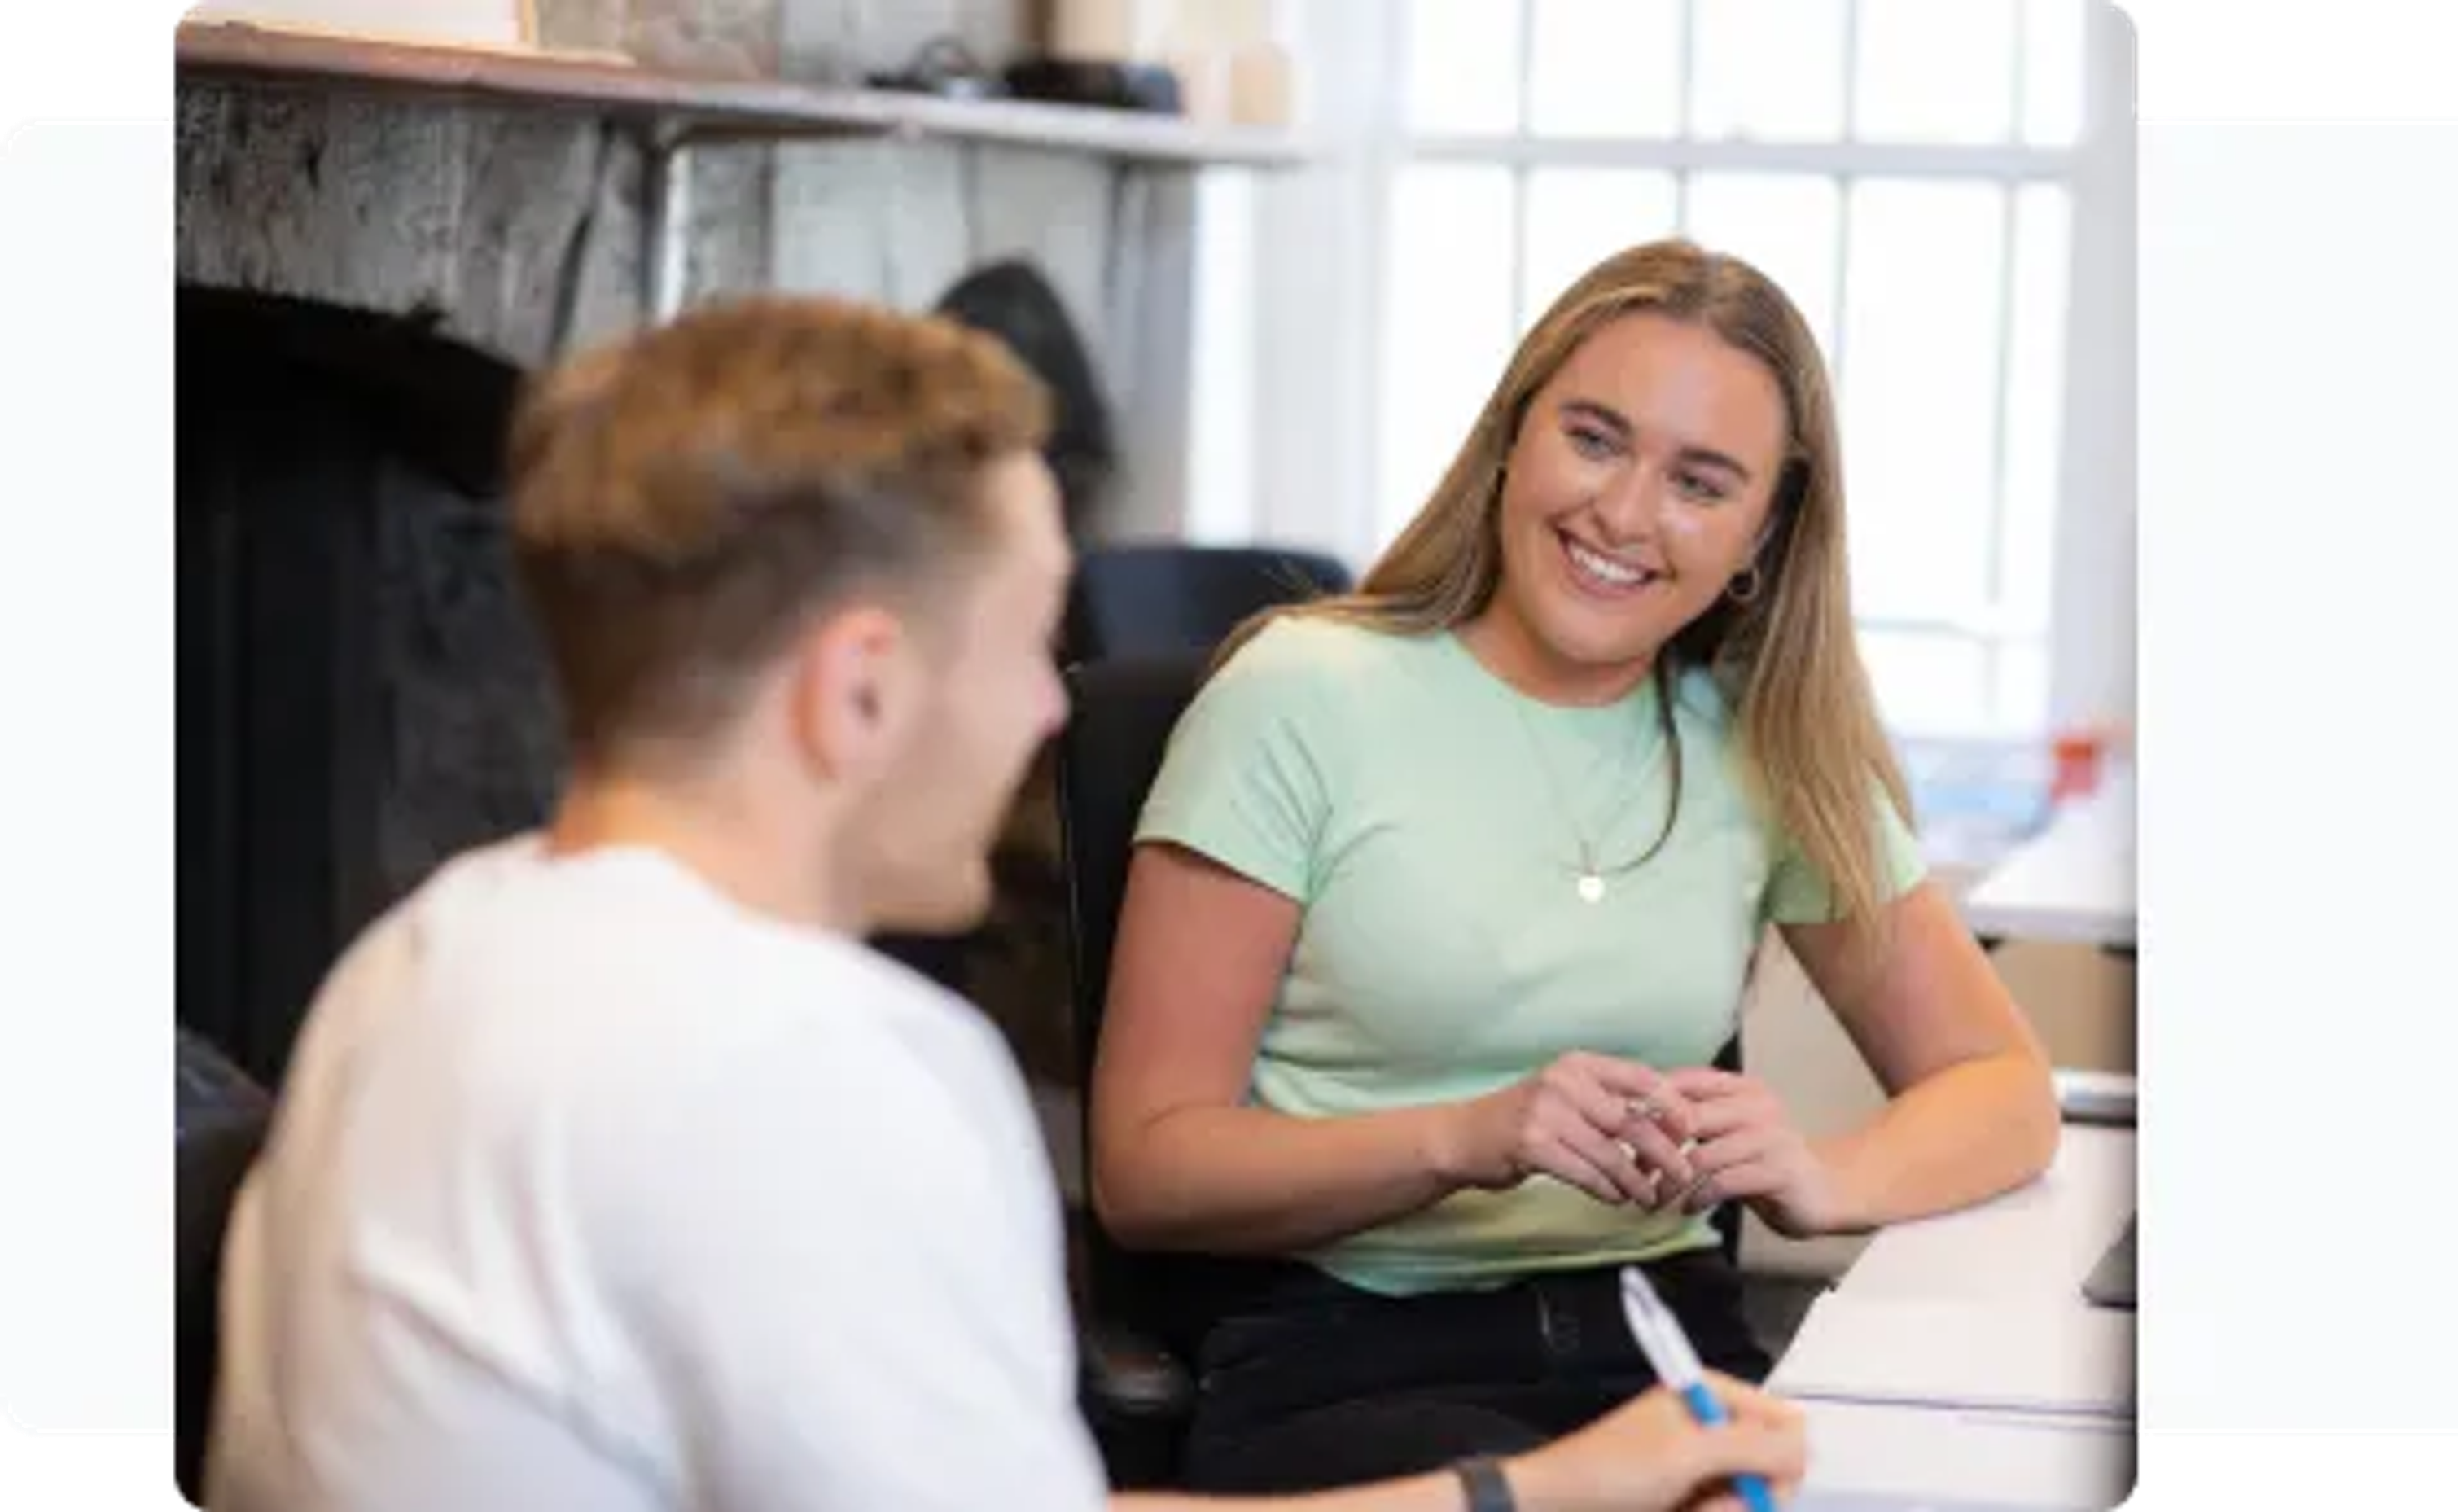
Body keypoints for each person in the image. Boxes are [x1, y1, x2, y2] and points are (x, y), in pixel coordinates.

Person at [201, 295, 1807, 1512]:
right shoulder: (812, 1069)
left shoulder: (418, 956)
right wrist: (1557, 1484)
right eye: (1023, 639)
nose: (1052, 710)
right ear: (862, 689)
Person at [1091, 239, 2065, 1493]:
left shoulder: (1767, 741)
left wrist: (1824, 1177)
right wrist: (1472, 1134)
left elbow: (2003, 1088)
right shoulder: (1300, 695)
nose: (1622, 514)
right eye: (1594, 439)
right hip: (1349, 1359)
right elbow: (1146, 1169)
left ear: (1763, 533)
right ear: (1512, 438)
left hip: (1669, 1346)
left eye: (1701, 482)